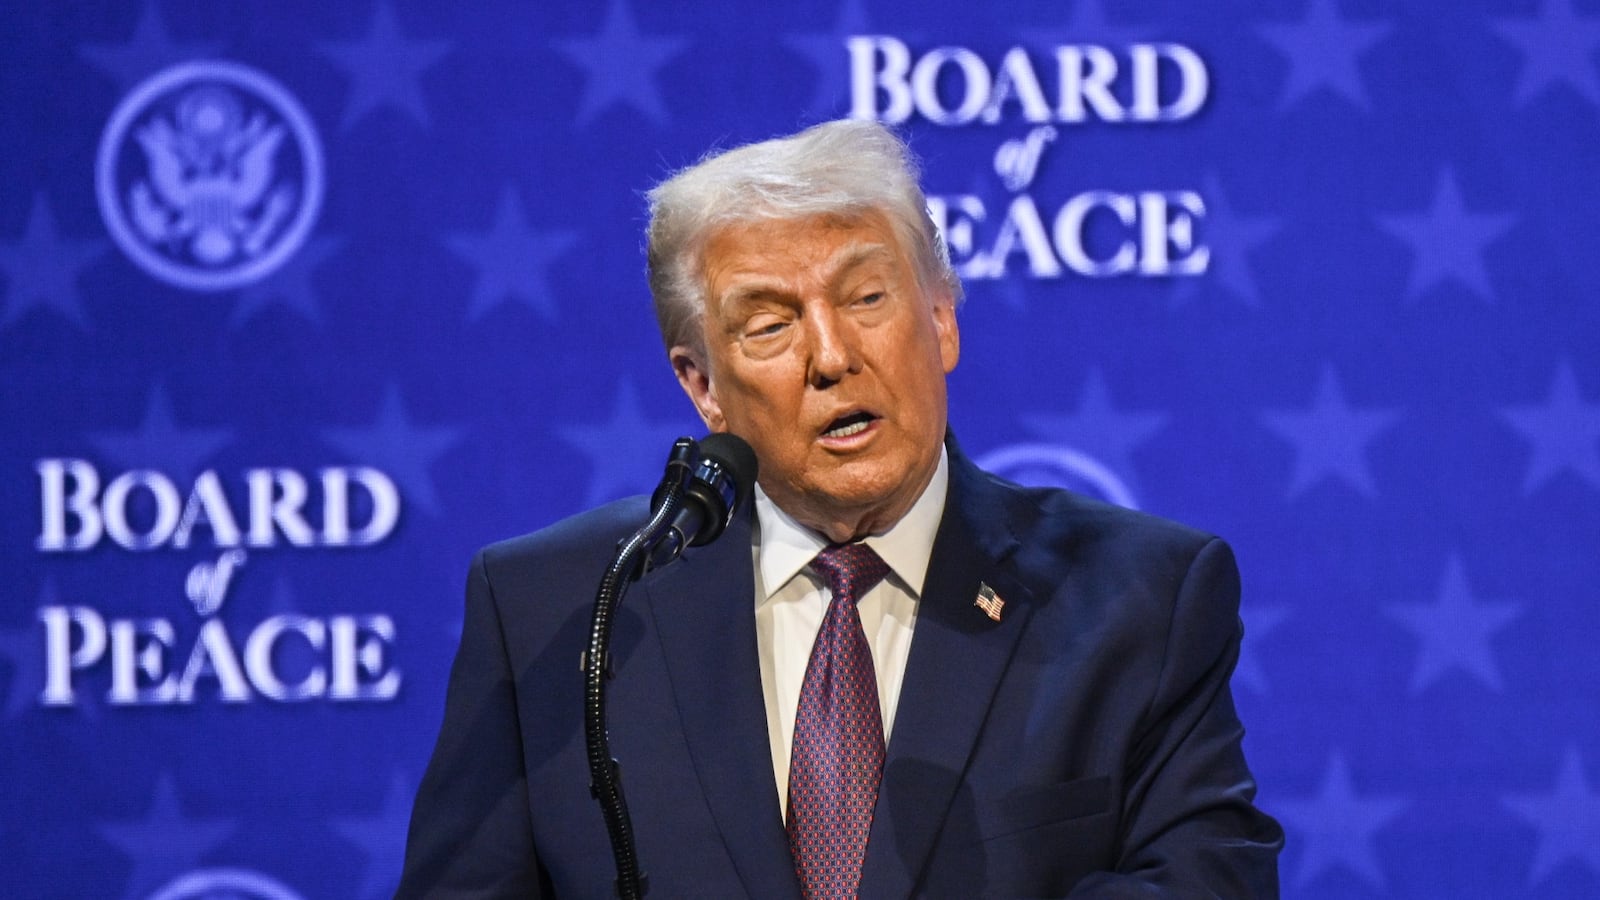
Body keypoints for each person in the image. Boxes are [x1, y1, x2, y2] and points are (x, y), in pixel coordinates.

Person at [398, 119, 1283, 898]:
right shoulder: (564, 609)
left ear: (940, 318)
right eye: (770, 325)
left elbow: (1209, 882)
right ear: (701, 383)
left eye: (867, 298)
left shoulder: (1138, 600)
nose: (831, 355)